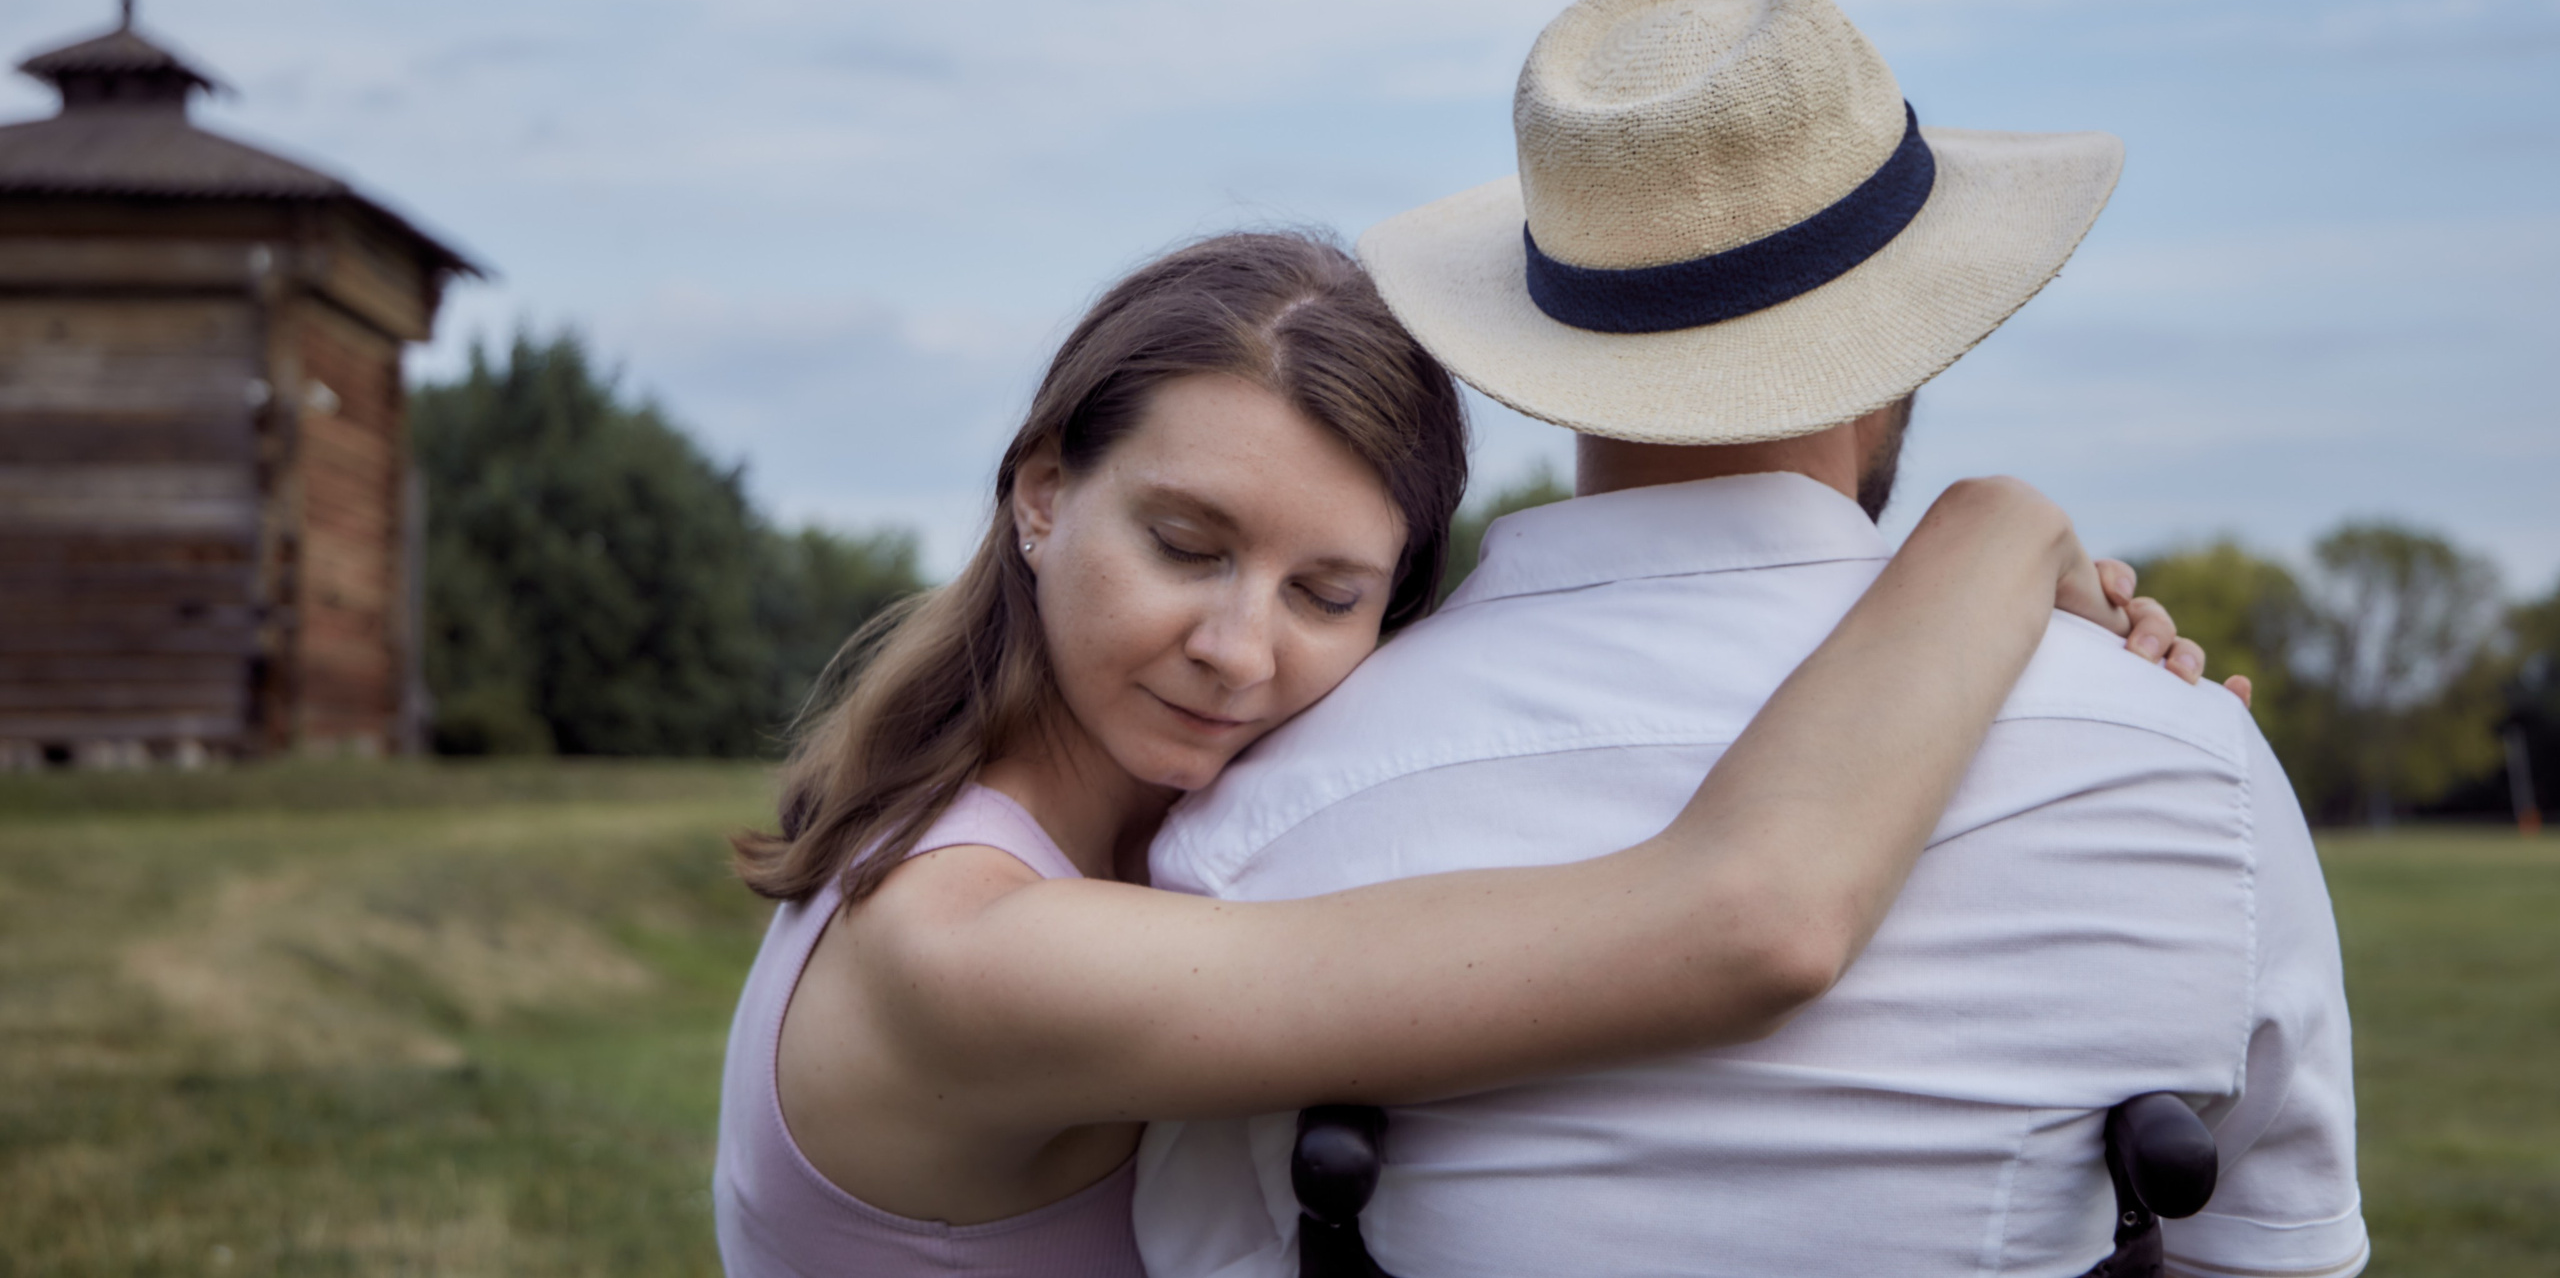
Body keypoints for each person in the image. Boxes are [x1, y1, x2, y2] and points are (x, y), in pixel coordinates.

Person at [1137, 0, 2365, 1278]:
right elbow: (2270, 1252)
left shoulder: (1260, 822)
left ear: (1550, 355)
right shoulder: (2184, 764)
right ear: (1911, 337)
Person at [713, 229, 2227, 1278]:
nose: (1240, 648)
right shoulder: (961, 951)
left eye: (1328, 593)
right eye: (1187, 545)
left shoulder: (1088, 847)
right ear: (1042, 493)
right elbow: (1749, 917)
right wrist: (1992, 528)